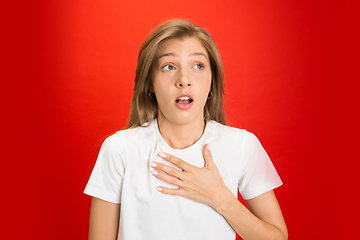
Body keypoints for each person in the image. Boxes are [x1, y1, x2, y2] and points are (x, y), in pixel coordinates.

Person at [84, 19, 288, 240]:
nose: (184, 80)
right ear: (150, 83)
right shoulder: (120, 148)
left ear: (212, 80)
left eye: (198, 66)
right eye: (169, 66)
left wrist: (222, 199)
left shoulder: (241, 145)